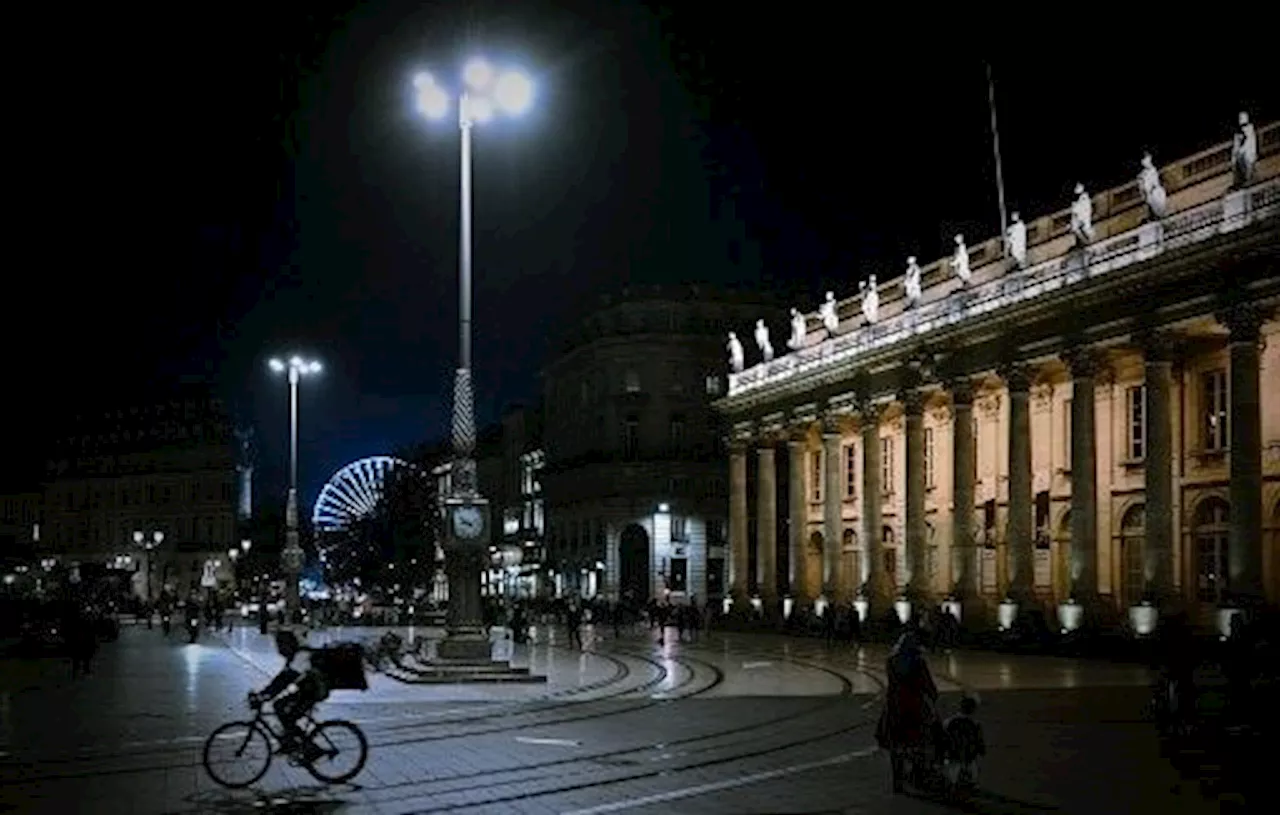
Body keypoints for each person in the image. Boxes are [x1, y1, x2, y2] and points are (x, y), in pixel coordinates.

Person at [876, 630, 941, 793]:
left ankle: (897, 781)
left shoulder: (890, 661)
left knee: (895, 746)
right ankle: (918, 776)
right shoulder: (918, 663)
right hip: (914, 706)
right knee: (918, 742)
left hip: (894, 705)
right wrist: (933, 697)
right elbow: (927, 685)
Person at [249, 629, 329, 759]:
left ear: (289, 644)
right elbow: (281, 678)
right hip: (307, 690)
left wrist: (265, 696)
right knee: (279, 706)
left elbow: (285, 680)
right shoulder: (296, 654)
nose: (279, 650)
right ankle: (290, 743)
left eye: (281, 645)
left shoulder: (302, 656)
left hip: (314, 692)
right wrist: (264, 693)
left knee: (289, 716)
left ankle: (312, 749)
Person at [943, 695, 986, 796]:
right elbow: (979, 740)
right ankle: (972, 784)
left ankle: (953, 785)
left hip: (953, 754)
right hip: (968, 756)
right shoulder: (975, 724)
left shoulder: (949, 722)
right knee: (973, 770)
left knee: (953, 772)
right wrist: (981, 750)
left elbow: (943, 738)